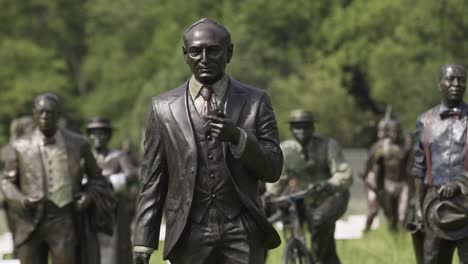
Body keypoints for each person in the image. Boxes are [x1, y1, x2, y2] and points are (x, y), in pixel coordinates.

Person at [132, 18, 283, 264]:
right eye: (195, 51)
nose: (204, 57)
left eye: (213, 50)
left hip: (242, 230)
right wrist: (143, 243)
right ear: (185, 55)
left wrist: (238, 137)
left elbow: (274, 167)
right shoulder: (162, 108)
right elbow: (152, 181)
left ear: (229, 53)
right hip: (188, 231)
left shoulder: (256, 102)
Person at [1, 93, 116, 264]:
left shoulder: (78, 143)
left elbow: (97, 178)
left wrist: (89, 196)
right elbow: (7, 182)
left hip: (64, 220)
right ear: (34, 114)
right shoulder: (19, 146)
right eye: (41, 112)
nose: (45, 116)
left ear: (58, 114)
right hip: (30, 222)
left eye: (50, 112)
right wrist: (23, 200)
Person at [267, 109, 352, 264]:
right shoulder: (285, 150)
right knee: (324, 243)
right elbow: (278, 178)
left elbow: (344, 174)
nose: (301, 131)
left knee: (320, 220)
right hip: (304, 197)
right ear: (291, 129)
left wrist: (328, 184)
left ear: (313, 128)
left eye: (306, 127)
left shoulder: (328, 145)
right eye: (297, 127)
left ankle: (316, 260)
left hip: (333, 195)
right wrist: (270, 195)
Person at [412, 64, 468, 264]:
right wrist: (418, 207)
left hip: (466, 201)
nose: (457, 84)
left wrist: (459, 184)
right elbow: (419, 168)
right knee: (432, 259)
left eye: (461, 80)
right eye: (451, 79)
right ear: (439, 84)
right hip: (434, 204)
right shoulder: (424, 121)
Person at [86, 117, 137, 264]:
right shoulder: (87, 156)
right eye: (94, 133)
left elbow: (132, 174)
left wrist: (112, 180)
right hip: (93, 211)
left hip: (114, 209)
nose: (98, 137)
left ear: (108, 135)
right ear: (89, 135)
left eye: (102, 133)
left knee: (116, 249)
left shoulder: (119, 156)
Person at [372, 119, 411, 231]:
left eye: (398, 131)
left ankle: (402, 238)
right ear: (388, 132)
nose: (396, 134)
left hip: (403, 184)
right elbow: (378, 168)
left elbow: (410, 163)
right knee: (391, 215)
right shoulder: (382, 147)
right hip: (388, 183)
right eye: (393, 131)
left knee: (403, 215)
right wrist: (378, 187)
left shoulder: (406, 145)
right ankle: (394, 239)